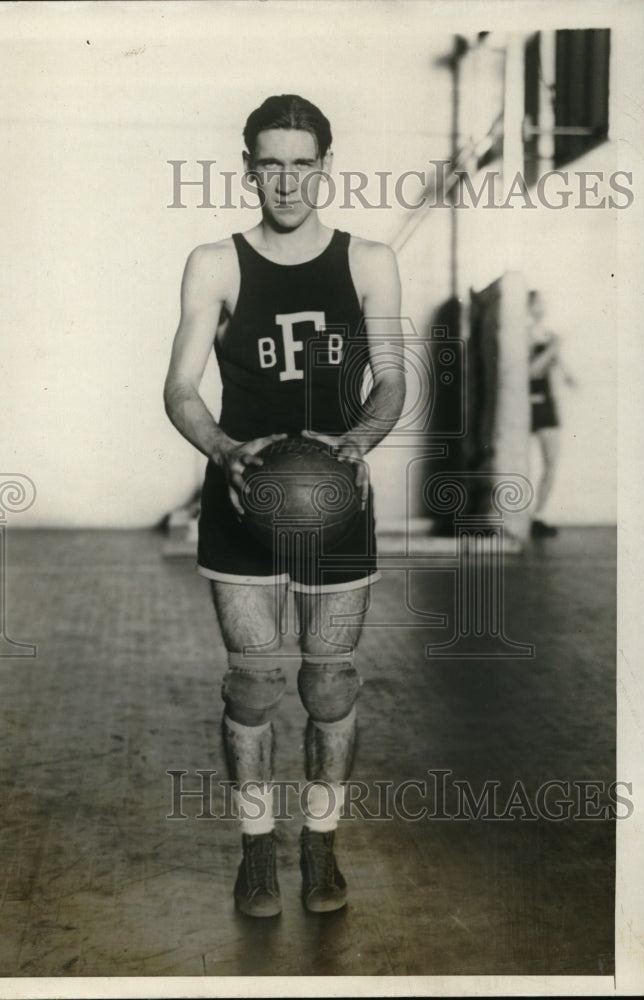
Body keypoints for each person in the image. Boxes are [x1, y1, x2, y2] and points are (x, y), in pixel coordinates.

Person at [164, 94, 405, 917]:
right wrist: (226, 451)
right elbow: (179, 388)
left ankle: (322, 844)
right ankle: (257, 851)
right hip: (242, 492)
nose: (287, 180)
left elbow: (392, 380)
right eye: (271, 163)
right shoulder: (215, 262)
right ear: (248, 168)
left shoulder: (368, 259)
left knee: (329, 683)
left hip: (335, 497)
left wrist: (357, 444)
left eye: (302, 163)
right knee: (253, 684)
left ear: (325, 168)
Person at [527, 290, 576, 538]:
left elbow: (558, 367)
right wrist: (554, 348)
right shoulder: (523, 334)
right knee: (520, 464)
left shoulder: (548, 335)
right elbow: (531, 371)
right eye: (537, 302)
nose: (542, 307)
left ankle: (539, 515)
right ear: (528, 306)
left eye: (543, 302)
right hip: (526, 404)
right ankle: (517, 515)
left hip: (545, 403)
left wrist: (568, 375)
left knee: (551, 462)